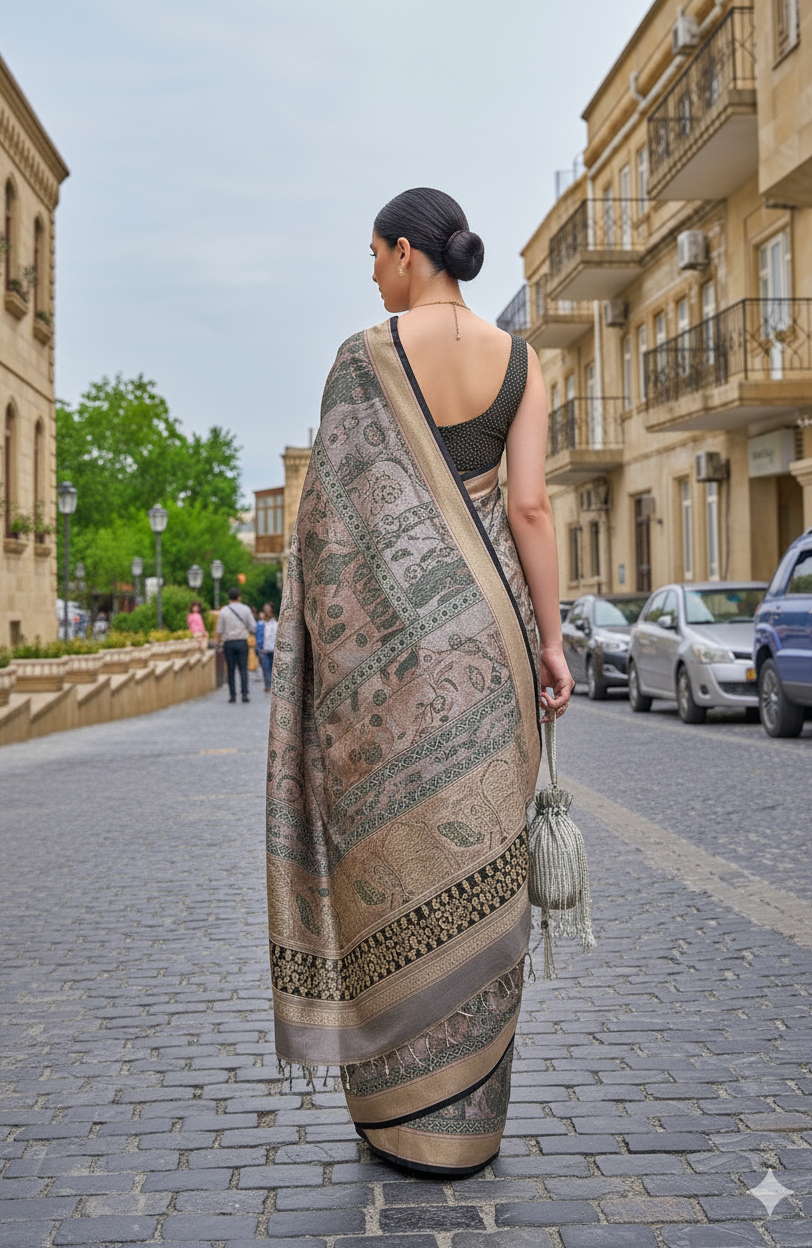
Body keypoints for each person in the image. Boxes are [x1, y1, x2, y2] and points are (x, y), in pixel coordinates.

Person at [265, 187, 573, 1176]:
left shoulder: (363, 358)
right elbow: (530, 508)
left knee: (386, 864)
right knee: (484, 865)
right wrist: (553, 645)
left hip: (386, 675)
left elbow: (326, 525)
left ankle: (399, 1118)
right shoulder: (524, 362)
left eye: (372, 252)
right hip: (495, 652)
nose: (368, 270)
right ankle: (469, 1128)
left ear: (407, 254)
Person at [215, 587, 256, 703]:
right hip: (242, 642)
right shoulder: (245, 609)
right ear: (239, 597)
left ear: (229, 597)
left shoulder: (224, 611)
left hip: (228, 643)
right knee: (243, 669)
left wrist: (218, 642)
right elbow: (253, 626)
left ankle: (232, 695)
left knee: (231, 670)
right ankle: (244, 694)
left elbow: (219, 629)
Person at [258, 603, 277, 693]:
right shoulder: (261, 624)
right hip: (264, 649)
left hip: (274, 649)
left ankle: (274, 684)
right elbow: (258, 636)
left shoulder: (275, 623)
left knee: (274, 668)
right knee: (266, 668)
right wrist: (260, 647)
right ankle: (267, 685)